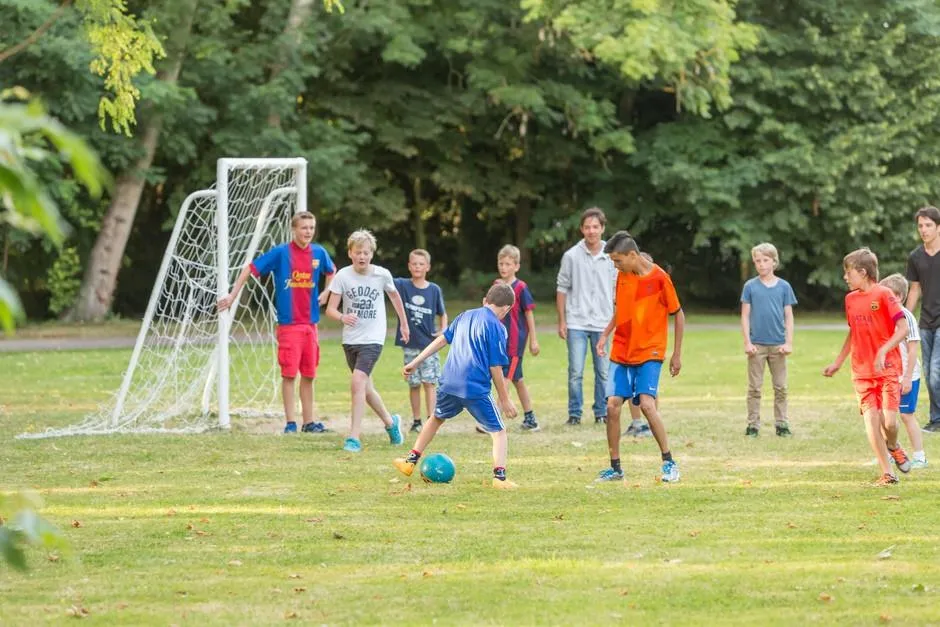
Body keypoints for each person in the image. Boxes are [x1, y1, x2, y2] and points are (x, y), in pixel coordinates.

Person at [393, 283, 520, 489]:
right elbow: (495, 366)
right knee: (498, 431)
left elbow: (442, 340)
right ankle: (500, 478)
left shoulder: (464, 315)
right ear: (507, 309)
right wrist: (504, 398)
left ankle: (410, 461)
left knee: (435, 418)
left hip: (449, 383)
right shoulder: (497, 327)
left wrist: (416, 361)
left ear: (485, 301)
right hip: (474, 387)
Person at [217, 211, 335, 434]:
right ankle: (291, 422)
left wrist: (328, 292)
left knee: (309, 375)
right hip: (289, 325)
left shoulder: (319, 252)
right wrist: (232, 296)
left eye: (311, 227)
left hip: (311, 324)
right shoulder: (282, 253)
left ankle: (309, 423)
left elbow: (332, 271)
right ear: (294, 229)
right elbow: (249, 269)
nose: (308, 231)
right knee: (289, 375)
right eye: (304, 227)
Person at [595, 231, 685, 483]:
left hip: (650, 350)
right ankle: (615, 468)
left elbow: (678, 314)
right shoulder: (622, 276)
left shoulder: (660, 279)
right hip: (622, 350)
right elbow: (620, 311)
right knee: (612, 406)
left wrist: (676, 354)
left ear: (632, 255)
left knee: (646, 404)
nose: (615, 265)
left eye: (618, 260)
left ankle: (669, 462)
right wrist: (604, 335)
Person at [823, 248, 912, 486]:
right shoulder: (850, 299)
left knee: (890, 423)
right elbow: (854, 332)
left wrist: (883, 350)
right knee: (872, 419)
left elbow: (902, 328)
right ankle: (887, 473)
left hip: (888, 368)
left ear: (862, 272)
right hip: (861, 371)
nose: (845, 277)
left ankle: (893, 445)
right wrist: (838, 362)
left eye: (848, 272)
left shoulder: (884, 294)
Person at [325, 230, 409, 452]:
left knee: (358, 381)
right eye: (357, 252)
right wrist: (343, 316)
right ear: (350, 253)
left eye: (366, 252)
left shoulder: (382, 275)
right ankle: (392, 425)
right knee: (366, 389)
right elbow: (331, 310)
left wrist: (404, 324)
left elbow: (395, 297)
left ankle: (353, 437)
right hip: (350, 339)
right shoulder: (342, 276)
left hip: (373, 338)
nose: (362, 256)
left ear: (372, 254)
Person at [556, 207, 617, 426]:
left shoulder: (612, 256)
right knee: (576, 372)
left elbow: (617, 289)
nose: (591, 231)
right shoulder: (571, 256)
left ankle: (601, 412)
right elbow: (562, 288)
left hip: (603, 322)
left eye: (595, 227)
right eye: (587, 227)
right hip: (577, 322)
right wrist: (562, 321)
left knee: (603, 371)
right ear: (582, 229)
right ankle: (575, 413)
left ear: (602, 228)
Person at [740, 242, 797, 437]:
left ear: (774, 262)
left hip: (778, 345)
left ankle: (782, 424)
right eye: (757, 261)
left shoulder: (784, 287)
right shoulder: (750, 286)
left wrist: (788, 342)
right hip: (756, 345)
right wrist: (747, 342)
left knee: (780, 387)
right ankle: (752, 425)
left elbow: (788, 316)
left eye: (765, 260)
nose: (761, 264)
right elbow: (745, 316)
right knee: (754, 387)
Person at [394, 249, 447, 434]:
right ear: (409, 266)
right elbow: (384, 280)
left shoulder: (434, 289)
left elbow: (443, 313)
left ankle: (430, 420)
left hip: (429, 345)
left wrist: (443, 330)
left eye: (421, 264)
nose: (417, 267)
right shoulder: (402, 285)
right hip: (410, 343)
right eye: (414, 264)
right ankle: (416, 421)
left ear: (428, 267)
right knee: (414, 383)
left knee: (429, 382)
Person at [880, 274, 928, 468]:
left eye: (887, 295)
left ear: (898, 296)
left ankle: (920, 457)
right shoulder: (884, 315)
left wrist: (907, 377)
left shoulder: (906, 316)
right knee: (885, 415)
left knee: (906, 415)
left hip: (907, 376)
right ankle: (888, 453)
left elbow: (913, 348)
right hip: (889, 375)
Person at [495, 245, 541, 431]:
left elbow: (529, 314)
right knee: (517, 380)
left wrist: (534, 340)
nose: (504, 267)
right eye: (501, 263)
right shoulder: (497, 286)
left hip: (515, 344)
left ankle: (492, 419)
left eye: (508, 264)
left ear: (516, 266)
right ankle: (530, 418)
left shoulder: (521, 288)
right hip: (500, 342)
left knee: (504, 379)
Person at [905, 205, 940, 433]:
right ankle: (936, 419)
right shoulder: (915, 257)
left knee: (936, 371)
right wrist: (905, 320)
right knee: (927, 371)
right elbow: (915, 290)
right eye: (920, 226)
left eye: (928, 225)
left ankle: (937, 419)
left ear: (938, 227)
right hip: (926, 321)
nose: (924, 230)